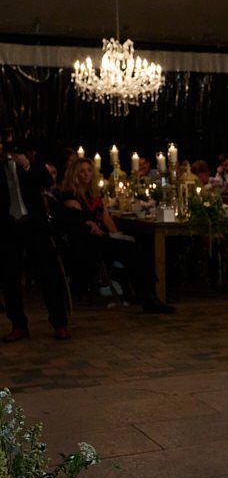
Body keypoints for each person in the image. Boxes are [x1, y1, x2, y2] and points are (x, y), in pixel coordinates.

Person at [58, 157, 174, 314]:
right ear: (75, 175)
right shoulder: (71, 196)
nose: (86, 174)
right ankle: (146, 296)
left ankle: (149, 293)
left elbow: (106, 217)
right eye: (82, 171)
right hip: (86, 244)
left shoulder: (94, 195)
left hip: (101, 238)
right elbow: (78, 224)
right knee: (131, 249)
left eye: (89, 170)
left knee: (140, 245)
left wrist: (116, 234)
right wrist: (91, 227)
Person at [2, 132, 70, 341]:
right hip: (9, 224)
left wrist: (26, 165)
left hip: (34, 224)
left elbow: (47, 181)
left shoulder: (29, 158)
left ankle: (59, 322)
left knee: (47, 273)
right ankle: (18, 324)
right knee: (9, 277)